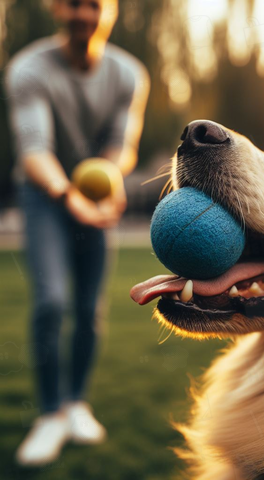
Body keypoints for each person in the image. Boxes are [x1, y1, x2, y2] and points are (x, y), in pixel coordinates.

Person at [5, 0, 149, 466]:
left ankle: (75, 404)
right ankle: (49, 414)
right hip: (44, 196)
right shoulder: (28, 68)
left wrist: (108, 180)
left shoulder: (129, 74)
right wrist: (70, 196)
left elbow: (122, 145)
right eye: (74, 3)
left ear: (110, 10)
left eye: (94, 4)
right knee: (51, 301)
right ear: (56, 8)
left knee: (89, 308)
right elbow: (34, 149)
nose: (84, 14)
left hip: (94, 195)